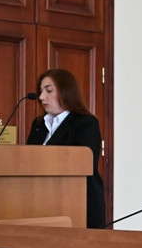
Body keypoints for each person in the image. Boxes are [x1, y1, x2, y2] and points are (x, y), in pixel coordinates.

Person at [26, 68, 107, 229]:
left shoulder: (85, 123)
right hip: (41, 202)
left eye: (49, 90)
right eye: (41, 91)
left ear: (66, 92)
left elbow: (85, 164)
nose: (41, 97)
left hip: (79, 203)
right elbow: (27, 159)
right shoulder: (38, 125)